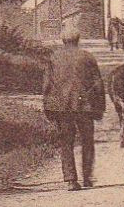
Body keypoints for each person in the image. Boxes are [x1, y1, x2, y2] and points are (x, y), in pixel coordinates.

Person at [42, 29, 105, 189]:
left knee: (66, 142)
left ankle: (70, 179)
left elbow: (47, 85)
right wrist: (100, 107)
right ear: (78, 40)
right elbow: (98, 83)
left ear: (63, 40)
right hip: (85, 107)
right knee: (87, 141)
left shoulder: (53, 57)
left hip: (62, 107)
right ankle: (87, 177)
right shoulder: (87, 57)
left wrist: (47, 107)